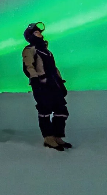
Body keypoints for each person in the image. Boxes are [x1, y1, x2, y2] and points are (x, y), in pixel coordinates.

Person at [22, 22, 71, 151]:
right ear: (31, 35)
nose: (40, 34)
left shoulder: (46, 51)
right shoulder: (30, 49)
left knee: (61, 110)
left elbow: (54, 68)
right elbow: (28, 66)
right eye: (36, 32)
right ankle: (48, 138)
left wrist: (60, 82)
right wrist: (36, 80)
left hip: (53, 84)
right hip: (42, 85)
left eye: (40, 32)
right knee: (44, 111)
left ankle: (57, 136)